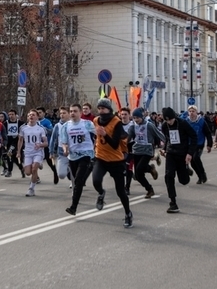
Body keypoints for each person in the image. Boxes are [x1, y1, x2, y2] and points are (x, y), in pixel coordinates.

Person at [92, 98, 133, 228]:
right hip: (101, 157)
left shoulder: (117, 122)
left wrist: (104, 134)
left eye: (103, 108)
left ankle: (128, 213)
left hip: (116, 160)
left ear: (109, 109)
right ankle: (101, 193)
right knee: (96, 181)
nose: (100, 111)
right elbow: (95, 137)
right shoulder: (96, 120)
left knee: (120, 191)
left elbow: (115, 144)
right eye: (99, 109)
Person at [60, 103, 96, 215]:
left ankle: (73, 207)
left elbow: (99, 134)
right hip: (73, 156)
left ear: (80, 113)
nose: (72, 113)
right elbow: (64, 142)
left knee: (79, 181)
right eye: (71, 111)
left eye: (75, 111)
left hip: (85, 155)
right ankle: (75, 200)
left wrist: (96, 145)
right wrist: (65, 149)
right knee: (75, 180)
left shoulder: (87, 124)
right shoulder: (66, 126)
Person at [160, 107, 197, 214]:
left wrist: (190, 153)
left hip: (182, 154)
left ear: (174, 117)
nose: (169, 122)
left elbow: (193, 136)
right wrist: (164, 149)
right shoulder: (164, 126)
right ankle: (173, 202)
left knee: (184, 181)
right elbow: (167, 138)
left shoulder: (183, 123)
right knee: (168, 176)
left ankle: (186, 169)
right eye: (167, 120)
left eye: (171, 119)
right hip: (171, 153)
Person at [127, 108, 164, 199]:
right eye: (134, 118)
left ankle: (150, 168)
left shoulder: (149, 125)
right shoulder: (133, 126)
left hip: (147, 150)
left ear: (142, 116)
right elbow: (128, 138)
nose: (136, 120)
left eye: (138, 118)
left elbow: (159, 134)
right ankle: (149, 188)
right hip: (137, 150)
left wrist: (166, 145)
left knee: (139, 168)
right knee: (138, 175)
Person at [17, 109, 48, 197]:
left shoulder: (41, 129)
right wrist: (18, 152)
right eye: (29, 115)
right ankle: (38, 165)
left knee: (34, 169)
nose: (31, 116)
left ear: (37, 117)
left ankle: (31, 189)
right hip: (27, 153)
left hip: (38, 152)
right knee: (28, 173)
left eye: (33, 115)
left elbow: (46, 143)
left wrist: (40, 145)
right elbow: (20, 140)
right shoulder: (23, 128)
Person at [186, 106, 213, 184]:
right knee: (192, 162)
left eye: (193, 111)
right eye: (190, 111)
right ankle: (200, 176)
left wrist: (209, 144)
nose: (191, 113)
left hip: (199, 143)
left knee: (196, 157)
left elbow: (208, 133)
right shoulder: (186, 121)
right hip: (190, 144)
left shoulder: (201, 121)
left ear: (196, 112)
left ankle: (203, 174)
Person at [49, 106, 72, 185]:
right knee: (61, 175)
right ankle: (68, 171)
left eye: (64, 113)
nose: (62, 115)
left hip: (73, 153)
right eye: (61, 113)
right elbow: (53, 139)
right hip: (61, 153)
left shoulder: (73, 124)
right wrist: (51, 152)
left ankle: (74, 184)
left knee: (74, 172)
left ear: (69, 114)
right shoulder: (57, 126)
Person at [37, 106, 59, 184]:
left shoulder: (47, 121)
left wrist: (43, 128)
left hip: (46, 144)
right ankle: (36, 177)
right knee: (34, 162)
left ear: (44, 113)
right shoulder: (34, 121)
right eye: (37, 113)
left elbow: (52, 131)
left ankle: (55, 173)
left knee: (49, 161)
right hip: (37, 145)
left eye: (40, 113)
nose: (38, 114)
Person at [3, 109, 25, 178]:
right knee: (13, 157)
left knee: (10, 153)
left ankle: (9, 171)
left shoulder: (20, 123)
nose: (11, 116)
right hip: (9, 142)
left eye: (12, 114)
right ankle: (21, 168)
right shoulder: (5, 123)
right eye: (9, 115)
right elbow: (3, 132)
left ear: (15, 115)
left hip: (17, 142)